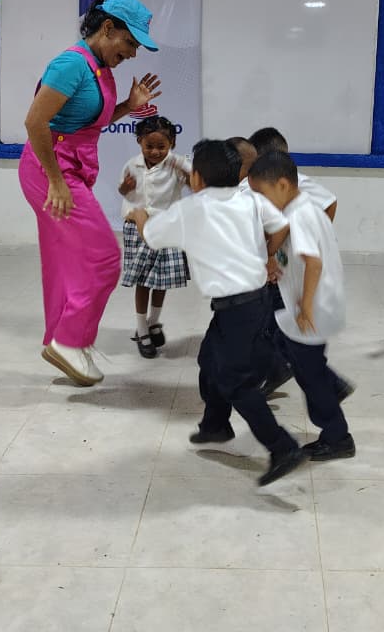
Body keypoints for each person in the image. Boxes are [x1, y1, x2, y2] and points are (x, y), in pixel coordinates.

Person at [130, 139, 306, 487]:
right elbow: (281, 224)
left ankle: (282, 447)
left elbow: (151, 237)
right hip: (255, 300)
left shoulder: (192, 208)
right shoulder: (250, 199)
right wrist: (266, 255)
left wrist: (139, 216)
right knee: (210, 359)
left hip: (237, 307)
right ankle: (215, 425)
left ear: (196, 178)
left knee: (235, 381)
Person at [19, 0, 162, 388]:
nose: (132, 53)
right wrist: (56, 181)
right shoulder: (71, 65)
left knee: (64, 261)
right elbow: (35, 123)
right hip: (50, 170)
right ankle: (70, 340)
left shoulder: (98, 67)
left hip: (68, 170)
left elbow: (88, 120)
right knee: (104, 258)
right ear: (108, 28)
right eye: (130, 43)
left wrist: (129, 106)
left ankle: (61, 340)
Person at [248, 151, 355, 461]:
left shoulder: (300, 214)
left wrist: (306, 305)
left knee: (310, 376)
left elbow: (313, 262)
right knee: (290, 350)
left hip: (313, 308)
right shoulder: (299, 208)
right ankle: (332, 386)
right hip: (307, 304)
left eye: (262, 195)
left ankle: (338, 436)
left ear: (282, 185)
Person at [247, 126, 339, 397]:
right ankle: (279, 368)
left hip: (291, 265)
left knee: (279, 320)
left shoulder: (300, 183)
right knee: (274, 320)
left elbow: (330, 202)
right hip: (278, 262)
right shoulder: (261, 185)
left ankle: (326, 383)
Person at [118, 115, 191, 359]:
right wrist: (125, 187)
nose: (155, 151)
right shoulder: (132, 165)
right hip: (136, 226)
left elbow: (196, 184)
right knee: (143, 280)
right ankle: (142, 329)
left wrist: (184, 172)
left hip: (166, 227)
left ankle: (153, 321)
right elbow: (123, 190)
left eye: (162, 146)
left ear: (172, 144)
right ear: (139, 141)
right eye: (149, 146)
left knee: (162, 279)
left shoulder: (178, 164)